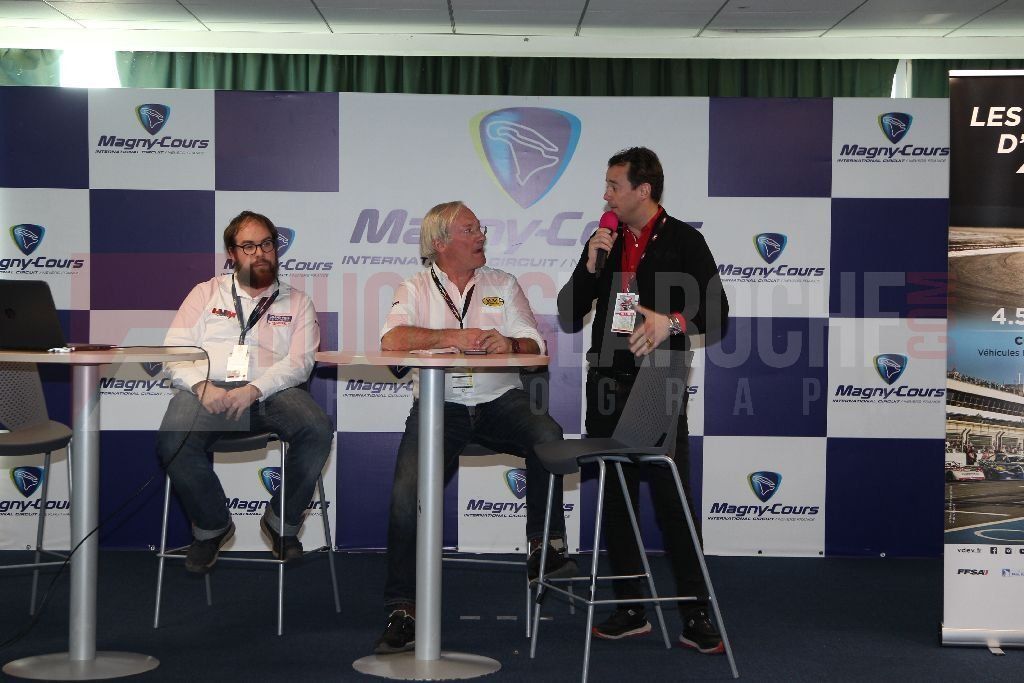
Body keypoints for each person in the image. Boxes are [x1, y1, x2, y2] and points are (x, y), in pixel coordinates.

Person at [373, 200, 575, 654]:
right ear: (441, 242)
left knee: (548, 436)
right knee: (406, 493)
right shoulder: (414, 287)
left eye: (480, 228)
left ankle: (545, 548)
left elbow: (536, 348)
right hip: (439, 406)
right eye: (470, 229)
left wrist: (510, 344)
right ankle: (402, 609)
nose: (481, 235)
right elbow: (392, 341)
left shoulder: (503, 284)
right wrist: (452, 337)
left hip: (500, 399)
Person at [557, 147, 729, 654]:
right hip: (606, 381)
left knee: (672, 497)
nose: (605, 195)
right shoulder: (603, 241)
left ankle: (696, 612)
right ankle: (631, 607)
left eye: (614, 185)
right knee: (616, 497)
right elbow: (568, 311)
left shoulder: (684, 241)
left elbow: (718, 313)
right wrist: (591, 264)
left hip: (658, 381)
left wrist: (669, 322)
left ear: (643, 190)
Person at [157, 210, 333, 574]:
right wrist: (201, 386)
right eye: (248, 246)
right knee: (173, 437)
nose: (260, 253)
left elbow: (300, 362)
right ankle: (212, 526)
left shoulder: (298, 301)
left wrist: (254, 389)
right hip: (209, 392)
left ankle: (281, 521)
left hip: (272, 394)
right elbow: (174, 351)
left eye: (266, 244)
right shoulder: (205, 293)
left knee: (317, 427)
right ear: (232, 253)